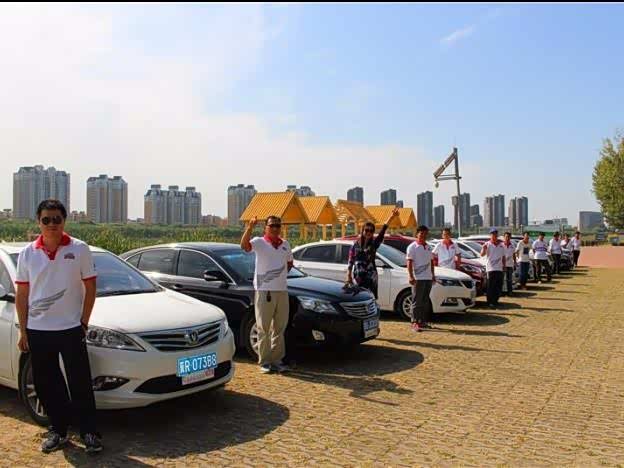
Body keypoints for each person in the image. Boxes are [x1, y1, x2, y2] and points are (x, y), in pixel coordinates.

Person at [15, 199, 102, 454]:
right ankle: (59, 430)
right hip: (38, 330)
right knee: (46, 384)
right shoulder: (28, 253)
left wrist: (83, 322)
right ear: (38, 222)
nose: (52, 224)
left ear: (64, 221)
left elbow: (91, 288)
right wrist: (23, 330)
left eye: (57, 219)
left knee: (80, 382)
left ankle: (89, 432)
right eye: (46, 220)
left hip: (71, 328)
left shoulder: (79, 249)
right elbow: (22, 294)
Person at [241, 215, 294, 374]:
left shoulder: (285, 244)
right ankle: (264, 361)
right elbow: (244, 246)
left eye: (278, 225)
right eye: (272, 226)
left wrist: (280, 277)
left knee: (279, 327)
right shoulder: (259, 242)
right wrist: (250, 227)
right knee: (263, 327)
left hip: (281, 290)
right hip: (265, 291)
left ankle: (277, 361)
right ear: (266, 227)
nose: (275, 228)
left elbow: (289, 263)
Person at [346, 208, 400, 298]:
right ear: (363, 230)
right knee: (358, 298)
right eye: (366, 230)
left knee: (369, 299)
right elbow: (350, 261)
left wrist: (392, 217)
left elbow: (383, 230)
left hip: (370, 277)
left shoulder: (374, 244)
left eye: (371, 231)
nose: (369, 232)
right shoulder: (355, 245)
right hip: (358, 277)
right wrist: (348, 275)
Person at [406, 225, 435, 332]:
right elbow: (409, 262)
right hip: (418, 278)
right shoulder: (412, 247)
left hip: (428, 278)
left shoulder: (428, 247)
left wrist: (433, 275)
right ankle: (414, 322)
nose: (423, 235)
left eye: (425, 234)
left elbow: (431, 262)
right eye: (421, 233)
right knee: (416, 301)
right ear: (417, 234)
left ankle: (422, 321)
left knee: (425, 301)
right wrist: (410, 276)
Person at [480, 228, 506, 308]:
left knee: (498, 286)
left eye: (495, 234)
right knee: (490, 286)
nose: (494, 236)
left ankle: (495, 301)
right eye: (493, 234)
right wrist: (484, 249)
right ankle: (490, 302)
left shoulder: (501, 245)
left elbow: (503, 257)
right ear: (490, 235)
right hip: (491, 269)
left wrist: (504, 266)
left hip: (499, 268)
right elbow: (482, 254)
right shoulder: (487, 244)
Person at [502, 232, 516, 296]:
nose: (507, 238)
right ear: (504, 237)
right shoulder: (501, 245)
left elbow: (514, 255)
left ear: (510, 237)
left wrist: (515, 262)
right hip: (502, 265)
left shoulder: (512, 245)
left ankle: (509, 292)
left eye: (508, 237)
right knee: (501, 279)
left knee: (509, 279)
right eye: (506, 237)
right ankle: (501, 292)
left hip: (510, 265)